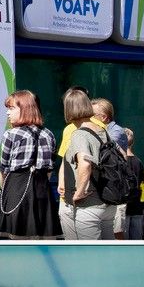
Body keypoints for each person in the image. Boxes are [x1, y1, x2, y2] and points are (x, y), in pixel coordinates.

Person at [0, 90, 56, 240]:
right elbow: (49, 169)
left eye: (11, 108)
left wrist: (2, 190)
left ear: (25, 109)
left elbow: (4, 169)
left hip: (15, 188)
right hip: (41, 189)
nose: (7, 113)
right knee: (40, 236)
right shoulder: (48, 134)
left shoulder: (11, 134)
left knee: (11, 236)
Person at [58, 89, 113, 239]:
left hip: (89, 205)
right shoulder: (102, 130)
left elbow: (85, 164)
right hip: (107, 202)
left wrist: (79, 192)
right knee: (108, 253)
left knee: (89, 254)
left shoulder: (79, 134)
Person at [92, 98, 128, 239]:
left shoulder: (115, 132)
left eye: (92, 115)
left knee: (116, 231)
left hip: (115, 188)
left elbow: (101, 148)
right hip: (104, 189)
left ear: (103, 117)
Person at [123, 128, 144, 240]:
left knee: (124, 240)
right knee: (137, 239)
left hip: (124, 206)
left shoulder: (119, 162)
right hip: (137, 205)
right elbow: (141, 180)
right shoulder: (139, 162)